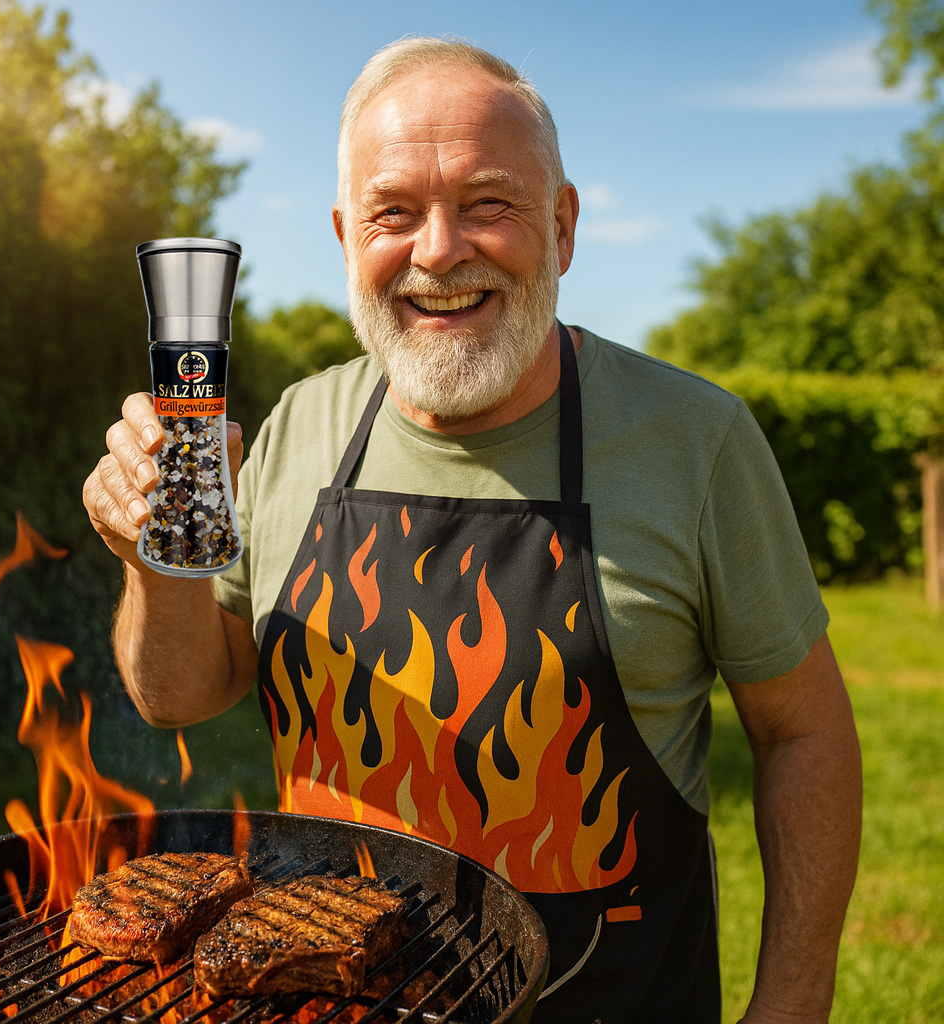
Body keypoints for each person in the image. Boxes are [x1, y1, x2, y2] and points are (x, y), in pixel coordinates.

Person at [83, 37, 862, 1024]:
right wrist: (153, 561)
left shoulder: (691, 440)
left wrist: (791, 1003)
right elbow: (180, 694)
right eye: (393, 212)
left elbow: (803, 730)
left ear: (562, 224)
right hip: (327, 997)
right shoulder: (295, 427)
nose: (439, 249)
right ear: (343, 238)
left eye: (487, 203)